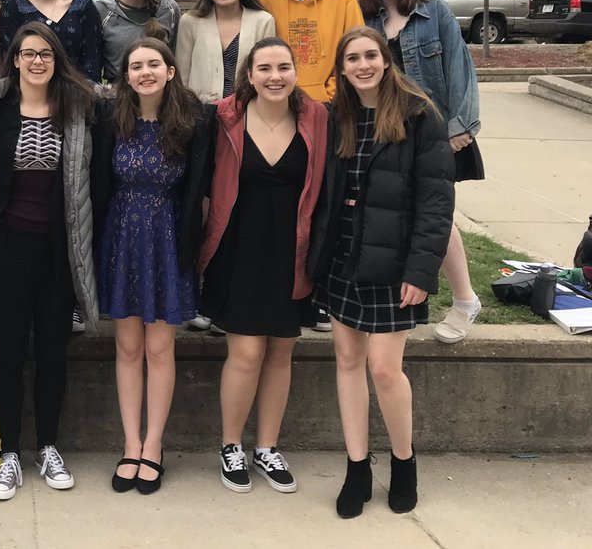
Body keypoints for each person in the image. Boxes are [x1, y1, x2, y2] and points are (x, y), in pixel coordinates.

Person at [307, 27, 454, 519]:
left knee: (385, 369)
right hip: (344, 257)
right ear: (342, 68)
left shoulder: (418, 115)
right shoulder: (337, 116)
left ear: (386, 60)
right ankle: (356, 466)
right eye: (353, 58)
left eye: (371, 55)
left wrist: (421, 269)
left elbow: (436, 203)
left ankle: (404, 462)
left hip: (394, 264)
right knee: (347, 362)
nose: (363, 65)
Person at [0, 23, 97, 501]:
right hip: (8, 248)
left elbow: (92, 185)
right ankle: (8, 457)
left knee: (52, 353)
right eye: (28, 54)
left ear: (56, 58)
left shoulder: (80, 109)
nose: (37, 61)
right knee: (7, 355)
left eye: (46, 53)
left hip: (58, 251)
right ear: (15, 59)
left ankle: (47, 447)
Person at [198, 37, 328, 495]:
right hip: (238, 248)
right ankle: (231, 444)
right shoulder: (222, 117)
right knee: (247, 352)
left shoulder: (316, 117)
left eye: (284, 67)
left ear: (295, 72)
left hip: (292, 249)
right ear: (249, 75)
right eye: (265, 68)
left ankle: (267, 447)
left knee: (281, 350)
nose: (275, 76)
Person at [92, 38, 214, 495]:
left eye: (153, 64)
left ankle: (154, 445)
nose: (145, 72)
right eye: (136, 66)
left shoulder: (192, 122)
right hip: (121, 237)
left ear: (170, 71)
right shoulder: (111, 119)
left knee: (160, 349)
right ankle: (130, 441)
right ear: (125, 76)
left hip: (167, 239)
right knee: (127, 349)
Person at [359, 0, 484, 344]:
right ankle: (409, 294)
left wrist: (459, 128)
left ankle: (465, 300)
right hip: (390, 136)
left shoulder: (436, 14)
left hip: (437, 133)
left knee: (436, 215)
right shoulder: (370, 23)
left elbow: (460, 69)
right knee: (411, 215)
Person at [176, 0, 276, 103]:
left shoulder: (263, 21)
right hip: (201, 115)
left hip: (248, 113)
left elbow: (267, 74)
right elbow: (182, 79)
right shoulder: (190, 22)